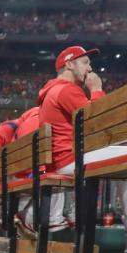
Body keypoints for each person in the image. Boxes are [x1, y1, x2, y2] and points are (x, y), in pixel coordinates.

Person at [37, 46, 106, 232]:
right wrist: (97, 89)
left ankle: (77, 217)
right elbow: (98, 122)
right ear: (69, 64)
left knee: (126, 158)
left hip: (61, 160)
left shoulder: (52, 91)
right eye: (85, 63)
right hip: (70, 159)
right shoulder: (66, 90)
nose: (90, 69)